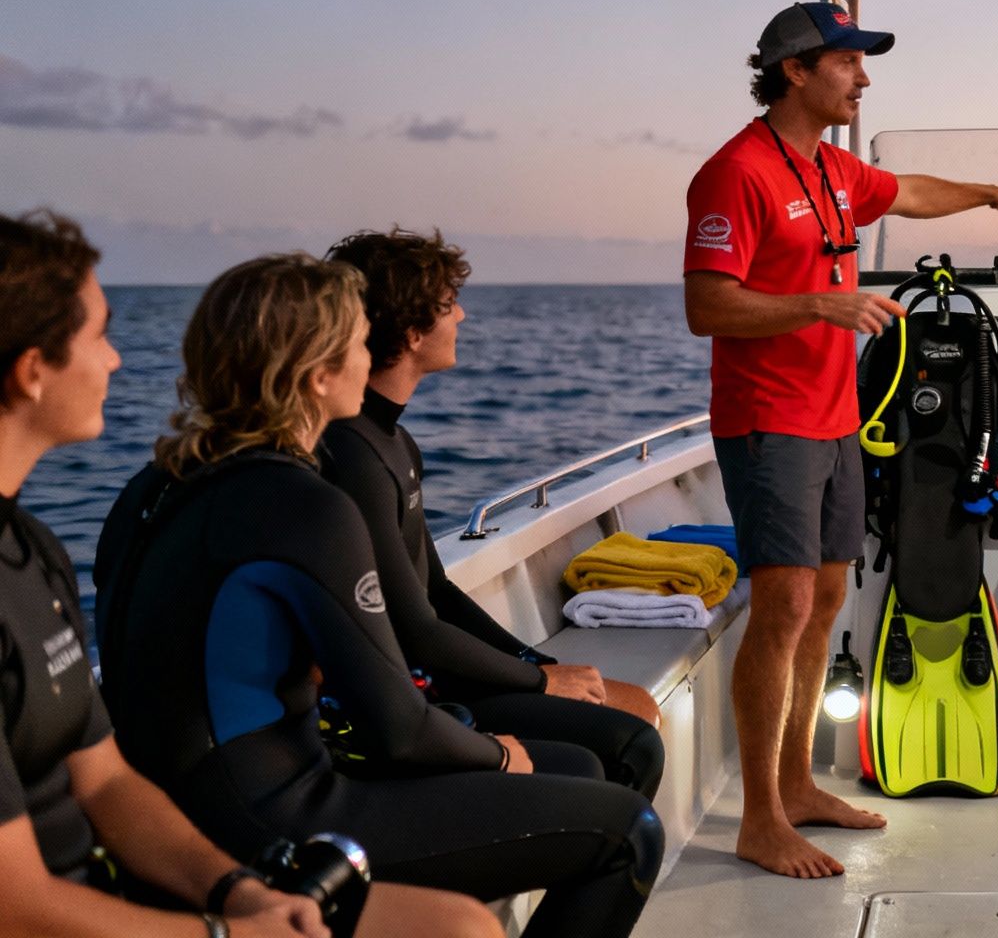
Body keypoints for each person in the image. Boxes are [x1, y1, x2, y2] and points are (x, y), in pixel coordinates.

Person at [93, 254, 661, 938]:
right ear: (319, 373)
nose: (371, 358)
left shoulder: (151, 488)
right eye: (361, 343)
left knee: (576, 766)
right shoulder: (305, 506)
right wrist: (497, 753)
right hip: (273, 822)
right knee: (627, 832)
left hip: (167, 815)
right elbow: (397, 729)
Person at [0, 211, 499, 938]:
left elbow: (105, 779)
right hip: (72, 909)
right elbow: (17, 909)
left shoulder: (34, 546)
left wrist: (236, 892)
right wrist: (226, 934)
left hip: (136, 880)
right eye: (100, 335)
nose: (115, 361)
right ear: (32, 370)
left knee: (460, 929)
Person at [683, 0, 998, 879]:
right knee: (780, 609)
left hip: (836, 418)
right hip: (769, 419)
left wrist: (988, 191)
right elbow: (706, 305)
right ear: (796, 72)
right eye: (848, 61)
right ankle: (760, 820)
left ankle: (800, 785)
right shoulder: (734, 172)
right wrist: (821, 302)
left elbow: (912, 192)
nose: (865, 77)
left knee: (821, 601)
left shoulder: (832, 167)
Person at [321, 228, 664, 799]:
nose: (464, 316)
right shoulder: (353, 455)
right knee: (632, 744)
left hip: (432, 674)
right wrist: (538, 680)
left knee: (636, 707)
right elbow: (415, 629)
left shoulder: (393, 442)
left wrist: (539, 662)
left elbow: (438, 590)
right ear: (410, 333)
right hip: (410, 697)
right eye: (450, 305)